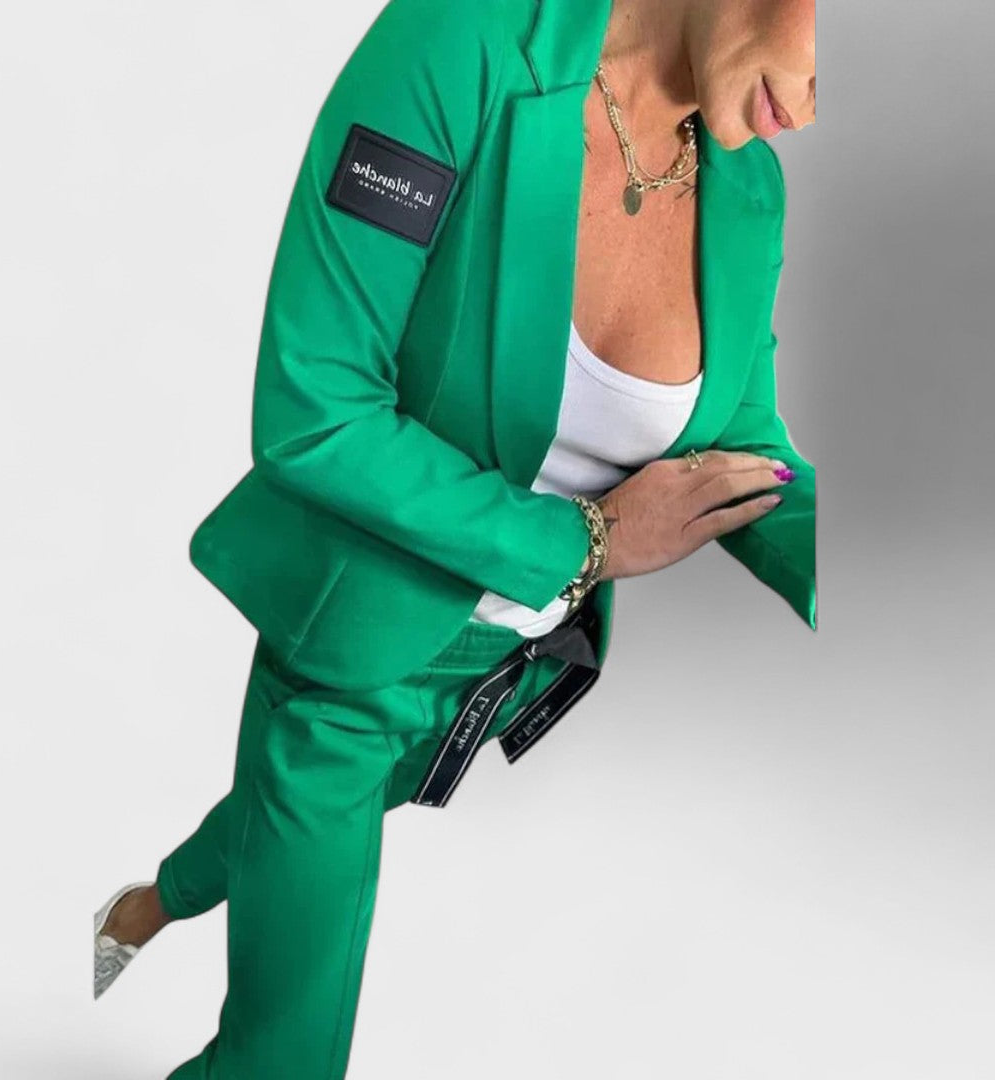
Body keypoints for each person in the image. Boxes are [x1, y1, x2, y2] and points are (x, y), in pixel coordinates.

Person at [93, 0, 817, 1075]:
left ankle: (147, 903)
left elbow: (751, 449)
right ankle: (146, 911)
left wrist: (900, 581)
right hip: (351, 658)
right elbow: (317, 409)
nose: (814, 106)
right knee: (280, 1062)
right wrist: (587, 541)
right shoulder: (459, 45)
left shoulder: (749, 188)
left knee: (264, 827)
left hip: (506, 671)